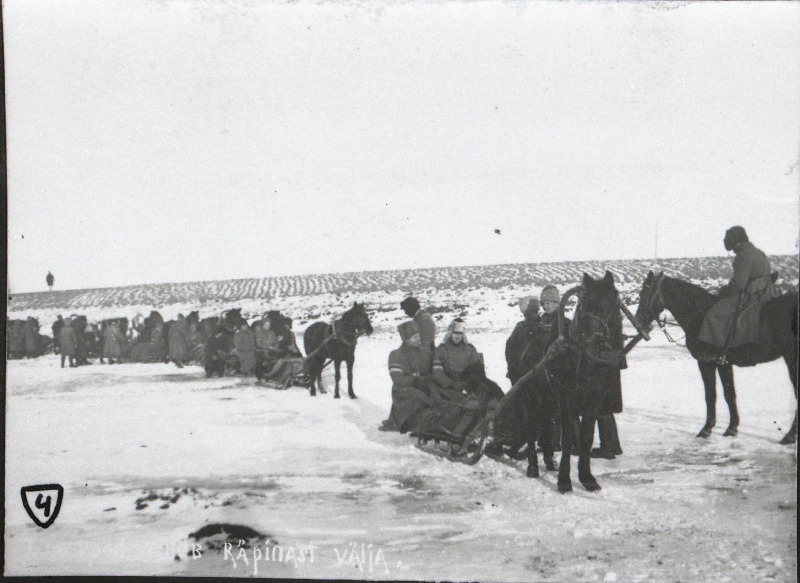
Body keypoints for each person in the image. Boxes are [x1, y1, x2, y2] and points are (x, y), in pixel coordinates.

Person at [698, 226, 777, 363]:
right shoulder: (759, 252)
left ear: (736, 241)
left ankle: (716, 352)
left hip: (751, 295)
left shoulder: (743, 256)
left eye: (728, 239)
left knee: (715, 312)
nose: (726, 242)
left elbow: (738, 284)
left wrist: (722, 292)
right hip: (767, 293)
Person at [379, 320, 435, 433]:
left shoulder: (425, 351)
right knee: (421, 397)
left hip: (424, 385)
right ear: (406, 339)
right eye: (414, 337)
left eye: (418, 335)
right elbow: (398, 380)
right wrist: (415, 379)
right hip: (404, 391)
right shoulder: (396, 355)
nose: (418, 338)